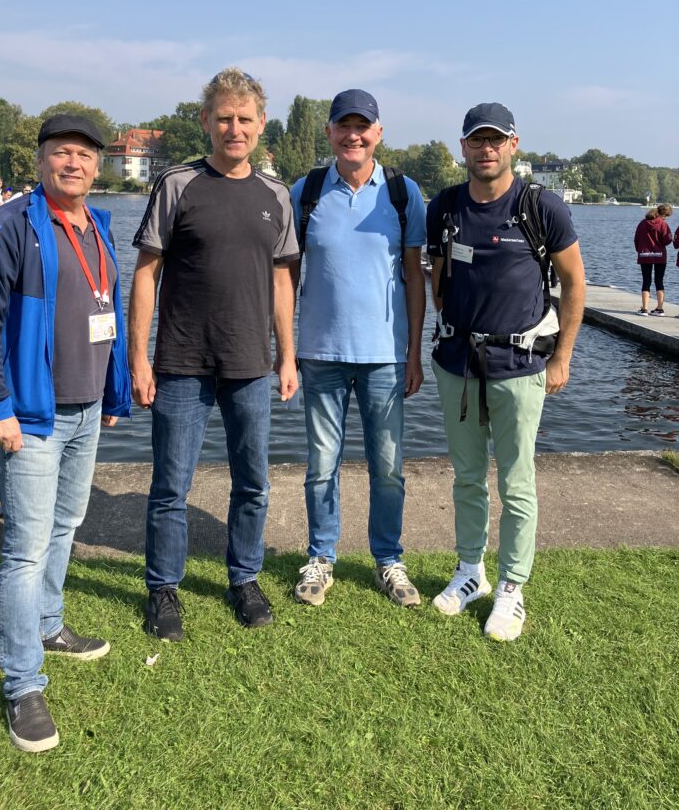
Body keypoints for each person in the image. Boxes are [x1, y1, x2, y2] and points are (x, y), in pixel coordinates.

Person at [0, 114, 131, 752]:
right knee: (25, 548)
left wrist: (110, 390)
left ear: (97, 167)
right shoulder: (8, 226)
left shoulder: (99, 225)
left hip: (87, 408)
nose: (75, 165)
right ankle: (21, 684)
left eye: (86, 156)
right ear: (40, 162)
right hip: (31, 415)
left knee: (66, 525)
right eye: (62, 154)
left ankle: (49, 626)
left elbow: (104, 310)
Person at [129, 68, 299, 640]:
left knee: (252, 481)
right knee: (170, 485)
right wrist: (139, 357)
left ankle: (244, 577)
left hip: (250, 364)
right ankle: (163, 589)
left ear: (260, 124)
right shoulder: (178, 185)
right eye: (223, 117)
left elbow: (282, 283)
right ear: (206, 121)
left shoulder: (276, 195)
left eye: (244, 118)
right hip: (180, 362)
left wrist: (288, 356)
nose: (234, 128)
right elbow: (146, 274)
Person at [427, 102, 585, 641]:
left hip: (520, 365)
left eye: (496, 140)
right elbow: (440, 277)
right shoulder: (445, 206)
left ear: (513, 144)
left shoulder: (542, 208)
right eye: (477, 140)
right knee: (467, 478)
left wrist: (561, 356)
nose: (486, 149)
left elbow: (574, 284)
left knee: (517, 484)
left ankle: (513, 588)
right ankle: (471, 570)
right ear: (464, 146)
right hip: (458, 365)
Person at [289, 89, 426, 608]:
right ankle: (321, 557)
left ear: (378, 132)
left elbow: (415, 278)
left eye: (362, 126)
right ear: (329, 133)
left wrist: (413, 353)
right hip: (320, 353)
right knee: (321, 463)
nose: (353, 135)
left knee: (387, 465)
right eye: (343, 126)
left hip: (385, 356)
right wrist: (286, 349)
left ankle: (388, 560)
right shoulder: (306, 191)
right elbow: (289, 275)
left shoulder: (402, 192)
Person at [634, 204, 672, 316]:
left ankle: (644, 309)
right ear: (662, 214)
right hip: (660, 256)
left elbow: (636, 239)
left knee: (646, 281)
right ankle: (659, 309)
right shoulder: (663, 224)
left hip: (645, 255)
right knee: (659, 281)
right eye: (666, 216)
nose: (666, 218)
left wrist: (640, 251)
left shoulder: (642, 223)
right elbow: (667, 240)